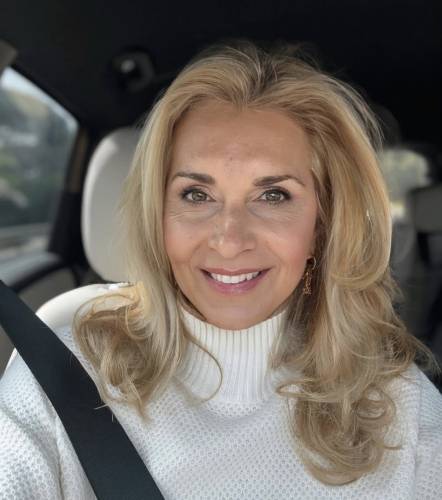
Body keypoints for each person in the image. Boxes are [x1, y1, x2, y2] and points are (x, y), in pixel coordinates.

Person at [1, 39, 441, 499]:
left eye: (273, 195)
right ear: (157, 215)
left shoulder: (402, 408)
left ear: (320, 227)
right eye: (196, 194)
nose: (230, 240)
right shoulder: (59, 375)